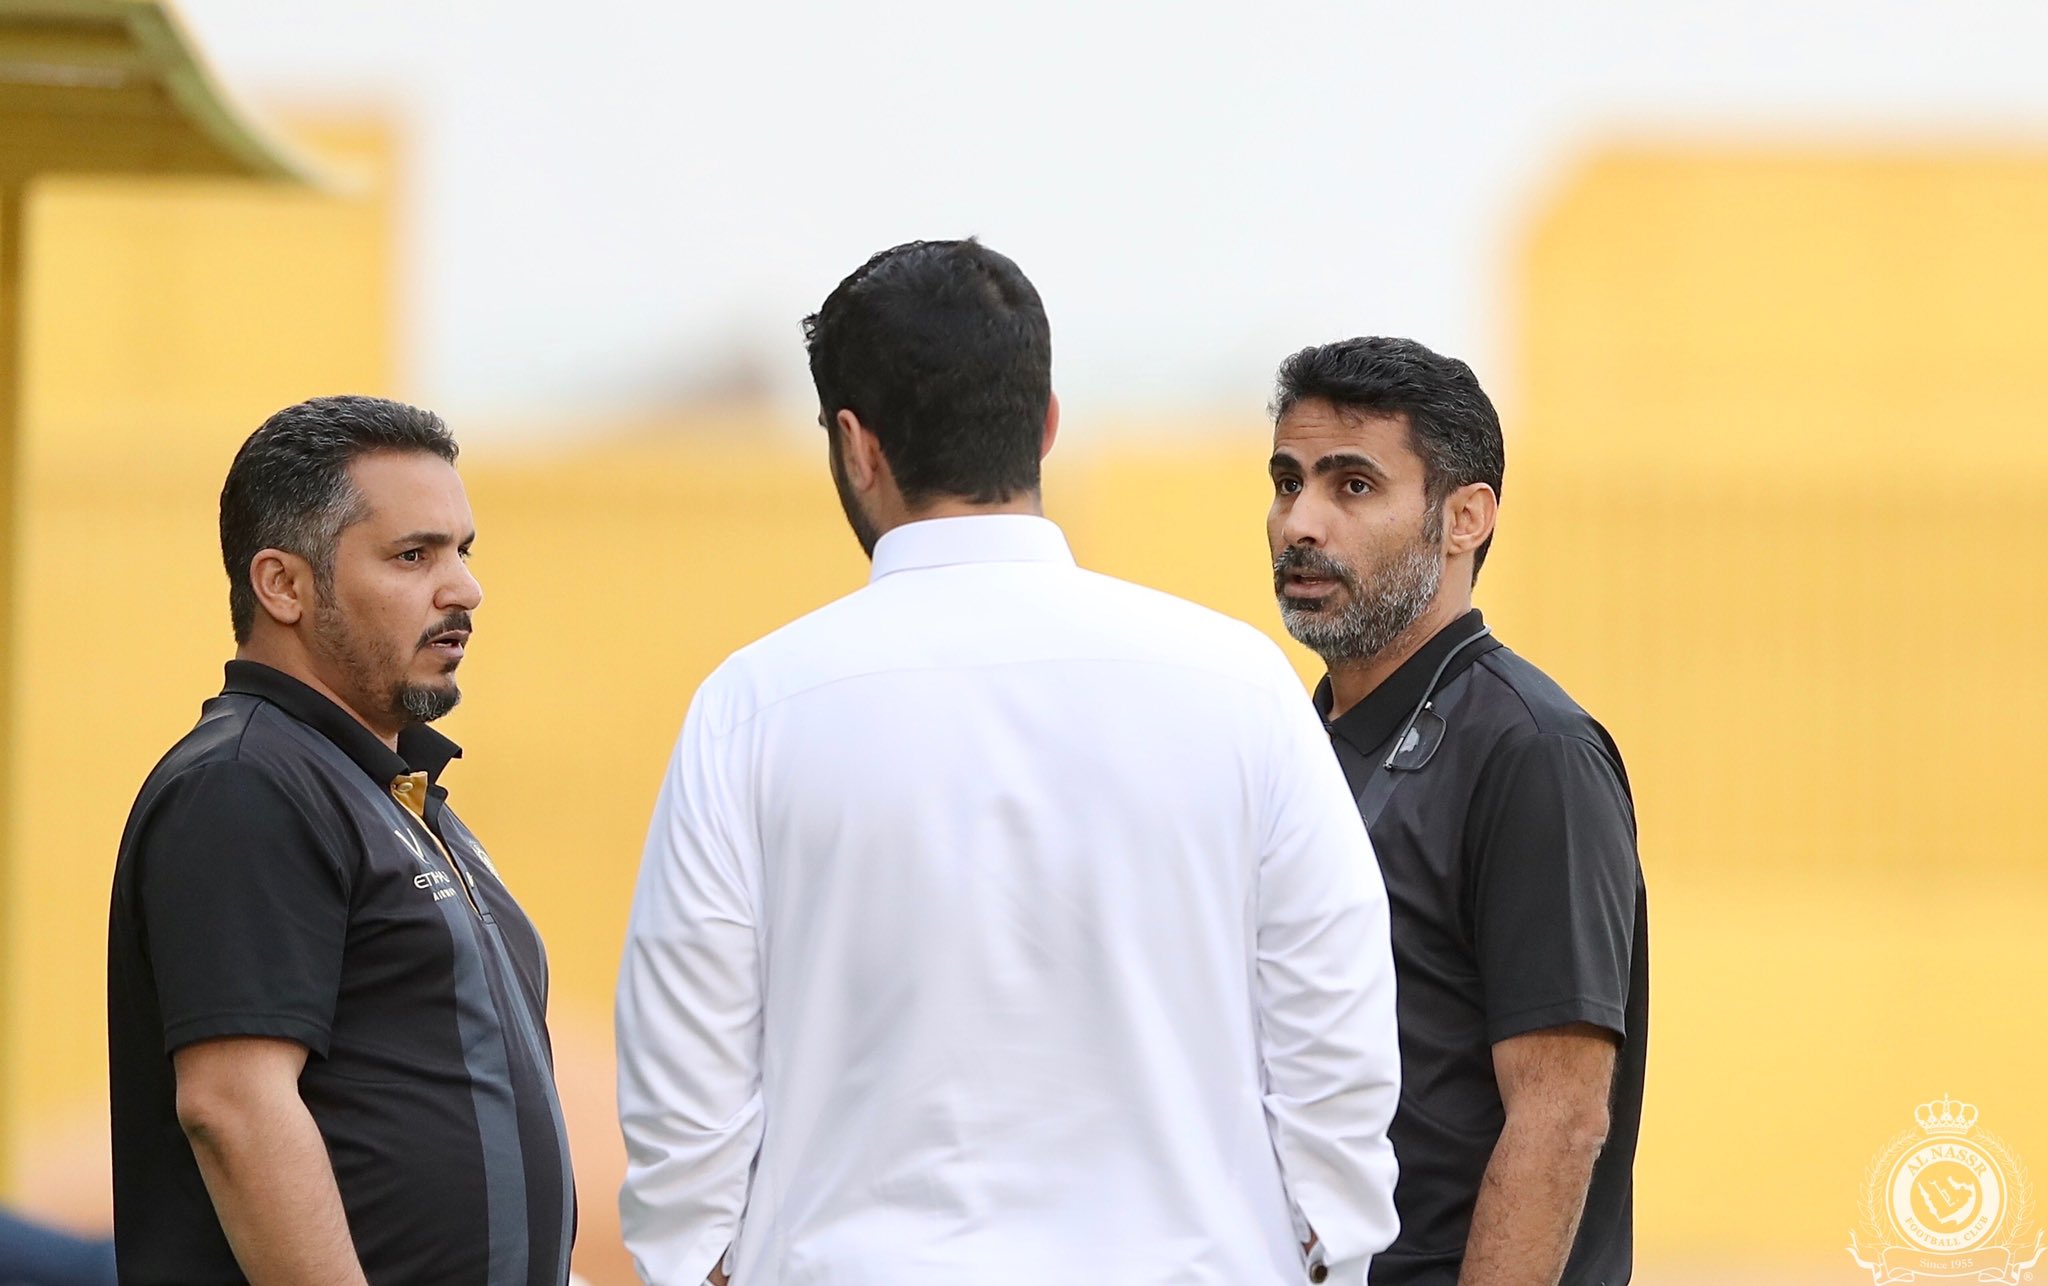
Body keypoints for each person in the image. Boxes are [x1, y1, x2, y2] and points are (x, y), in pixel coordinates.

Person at [616, 240, 1401, 1286]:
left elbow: (683, 1082)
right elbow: (1335, 1033)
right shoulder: (1239, 683)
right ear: (1045, 424)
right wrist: (1324, 1249)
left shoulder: (751, 707)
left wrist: (698, 1259)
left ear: (855, 445)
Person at [106, 396, 575, 1285]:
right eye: (413, 555)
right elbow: (234, 1108)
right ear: (282, 585)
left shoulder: (392, 793)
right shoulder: (245, 784)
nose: (463, 590)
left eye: (463, 551)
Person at [1263, 337, 1648, 1286]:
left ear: (1464, 518)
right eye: (1288, 482)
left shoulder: (1534, 752)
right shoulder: (1292, 744)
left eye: (1353, 485)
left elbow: (1560, 1117)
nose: (1300, 522)